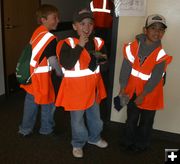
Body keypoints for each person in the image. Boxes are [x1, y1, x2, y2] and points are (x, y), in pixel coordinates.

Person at [55, 9, 108, 158]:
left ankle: (94, 138)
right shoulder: (66, 43)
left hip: (93, 88)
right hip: (75, 90)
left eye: (90, 23)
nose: (87, 27)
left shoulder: (98, 42)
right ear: (74, 27)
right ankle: (78, 143)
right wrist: (80, 46)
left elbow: (105, 66)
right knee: (77, 120)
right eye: (82, 23)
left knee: (95, 117)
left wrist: (98, 60)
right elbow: (67, 63)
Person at [118, 14, 172, 152]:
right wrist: (123, 87)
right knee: (131, 119)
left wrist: (144, 94)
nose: (157, 32)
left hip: (150, 94)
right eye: (153, 28)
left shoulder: (161, 55)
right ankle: (127, 141)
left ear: (164, 33)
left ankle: (141, 144)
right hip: (133, 92)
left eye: (161, 29)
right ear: (145, 30)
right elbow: (125, 68)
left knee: (146, 122)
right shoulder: (133, 48)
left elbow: (155, 78)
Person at [18, 4, 62, 137]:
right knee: (48, 102)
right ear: (43, 19)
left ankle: (25, 129)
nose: (58, 20)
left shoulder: (38, 32)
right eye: (54, 17)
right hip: (41, 78)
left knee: (31, 102)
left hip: (32, 75)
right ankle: (46, 129)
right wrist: (60, 73)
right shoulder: (49, 38)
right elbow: (53, 60)